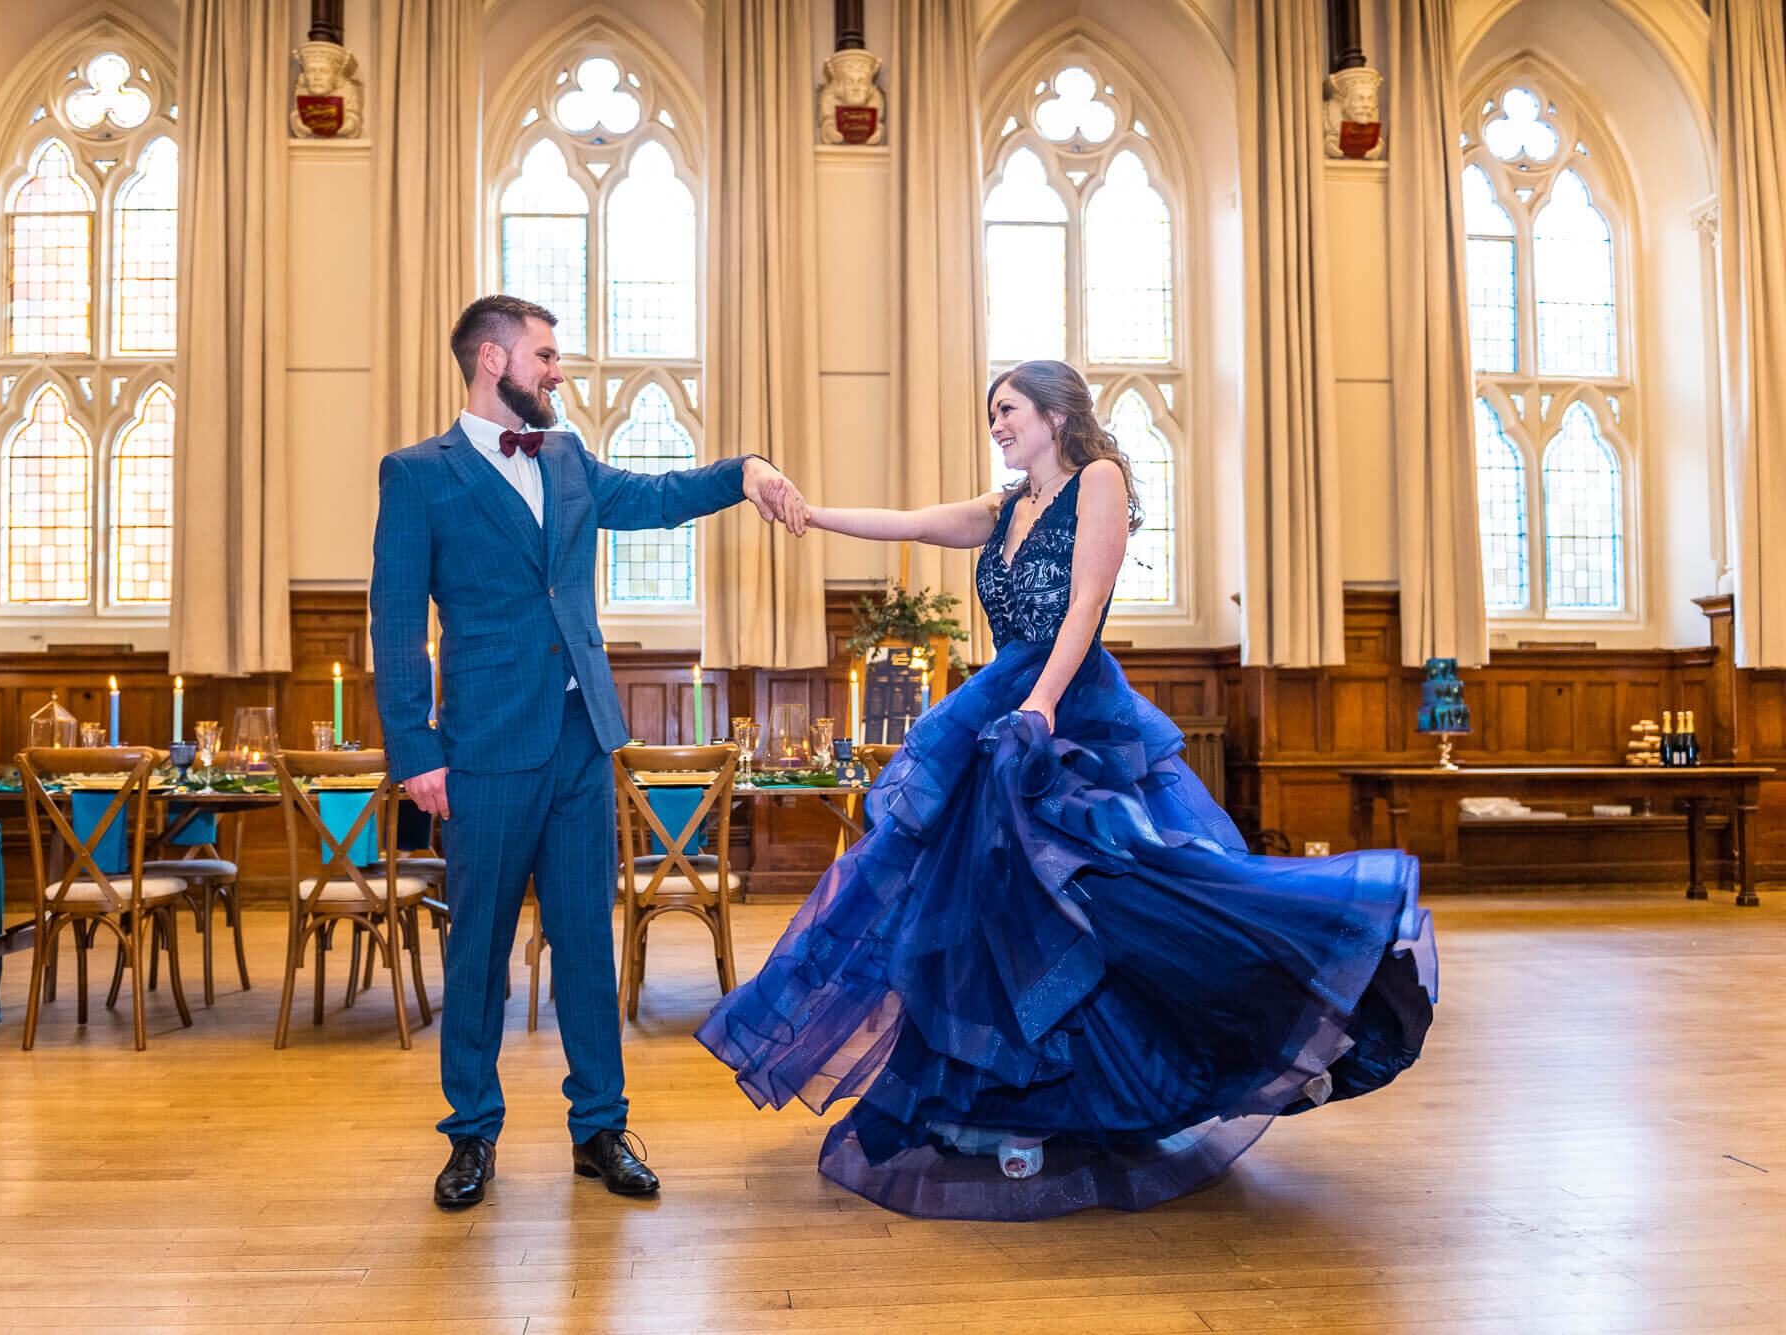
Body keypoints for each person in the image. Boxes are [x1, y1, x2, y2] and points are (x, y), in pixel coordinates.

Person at [696, 359, 1436, 1221]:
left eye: (1007, 411)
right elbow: (910, 522)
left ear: (1053, 412)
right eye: (992, 414)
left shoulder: (1101, 480)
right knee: (990, 916)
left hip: (1068, 708)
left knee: (1111, 898)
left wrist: (1041, 708)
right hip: (1004, 708)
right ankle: (998, 1103)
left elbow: (1085, 604)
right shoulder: (1006, 506)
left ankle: (1251, 999)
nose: (997, 426)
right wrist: (812, 512)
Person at [371, 294, 808, 1210]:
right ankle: (470, 1137)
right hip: (482, 749)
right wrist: (416, 749)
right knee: (480, 948)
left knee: (586, 942)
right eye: (545, 355)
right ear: (492, 360)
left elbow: (652, 499)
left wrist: (743, 471)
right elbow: (397, 622)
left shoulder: (565, 455)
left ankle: (600, 1129)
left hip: (581, 739)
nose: (558, 370)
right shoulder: (417, 475)